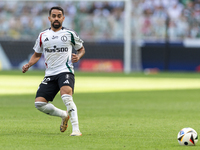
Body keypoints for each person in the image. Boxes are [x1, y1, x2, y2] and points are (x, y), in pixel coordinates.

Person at [22, 6, 85, 136]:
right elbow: (37, 54)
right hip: (50, 73)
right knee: (39, 103)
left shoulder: (70, 34)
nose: (56, 18)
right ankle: (63, 115)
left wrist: (77, 56)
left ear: (63, 18)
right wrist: (29, 64)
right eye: (54, 16)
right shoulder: (43, 35)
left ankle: (76, 130)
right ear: (49, 18)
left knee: (66, 96)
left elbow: (81, 49)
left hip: (65, 71)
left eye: (59, 16)